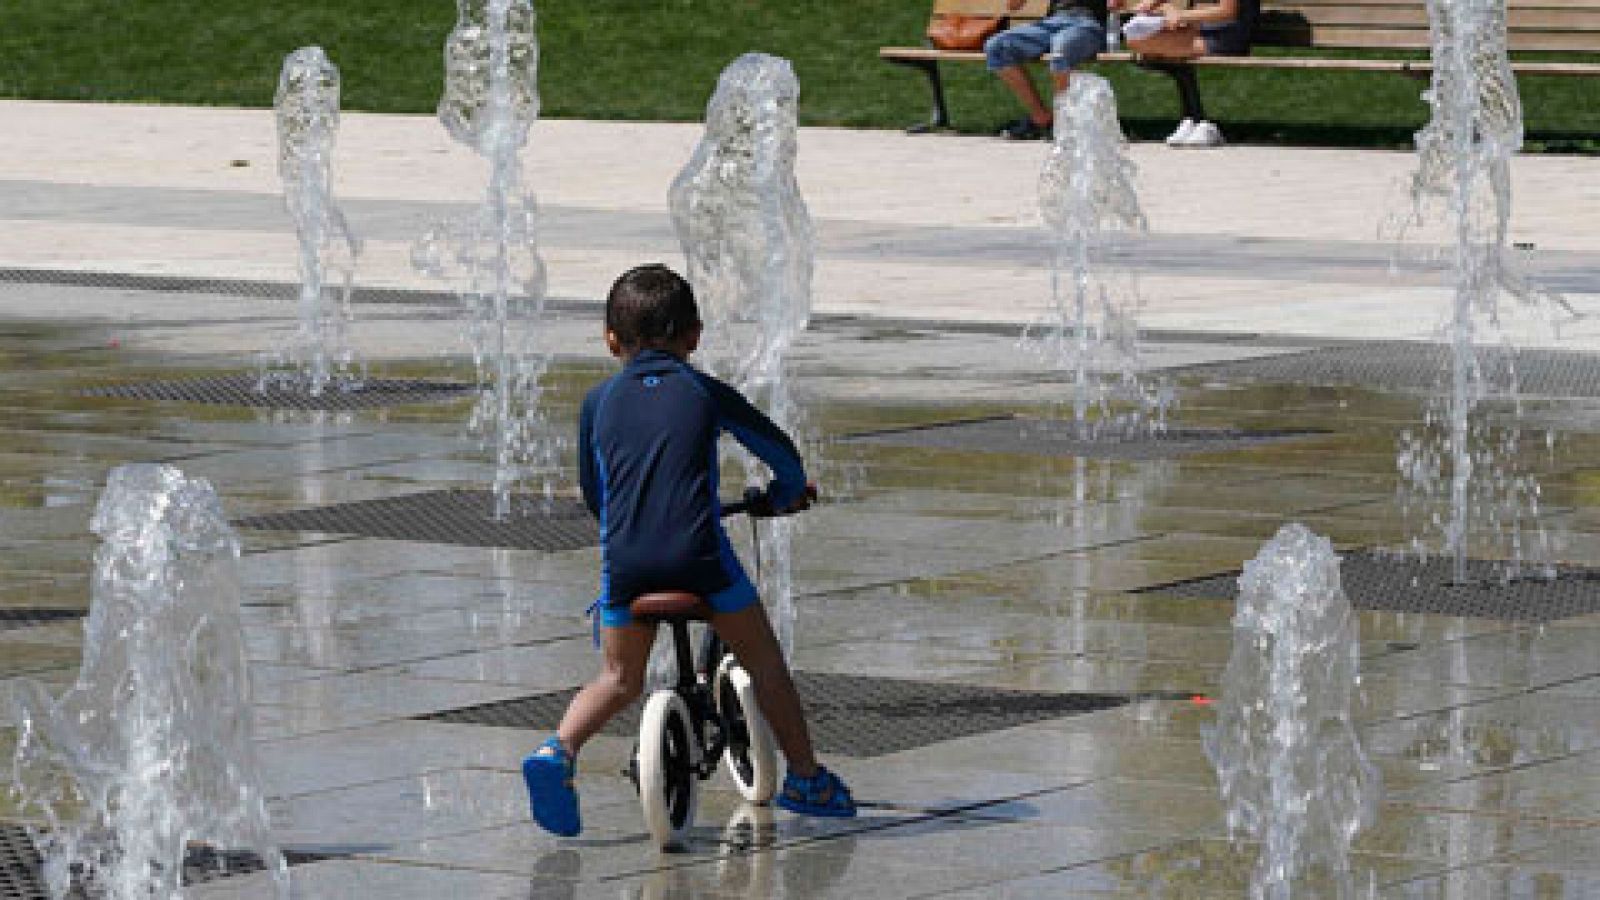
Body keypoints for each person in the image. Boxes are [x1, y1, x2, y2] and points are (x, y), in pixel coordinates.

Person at [521, 264, 855, 837]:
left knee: (618, 679)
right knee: (766, 663)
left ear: (609, 341)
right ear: (694, 336)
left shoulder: (596, 404)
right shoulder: (705, 391)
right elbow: (782, 455)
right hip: (700, 559)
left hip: (625, 565)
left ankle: (558, 751)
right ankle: (806, 777)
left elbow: (595, 493)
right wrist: (786, 494)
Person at [1120, 0, 1259, 145]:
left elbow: (1227, 12)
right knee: (1137, 40)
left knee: (1149, 45)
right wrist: (1156, 4)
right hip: (1201, 29)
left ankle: (1199, 121)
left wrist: (1181, 15)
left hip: (1227, 36)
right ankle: (1194, 119)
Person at [985, 0, 1110, 140]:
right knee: (997, 47)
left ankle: (1064, 121)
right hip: (1052, 22)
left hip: (1088, 24)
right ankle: (1041, 118)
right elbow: (1013, 6)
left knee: (1061, 50)